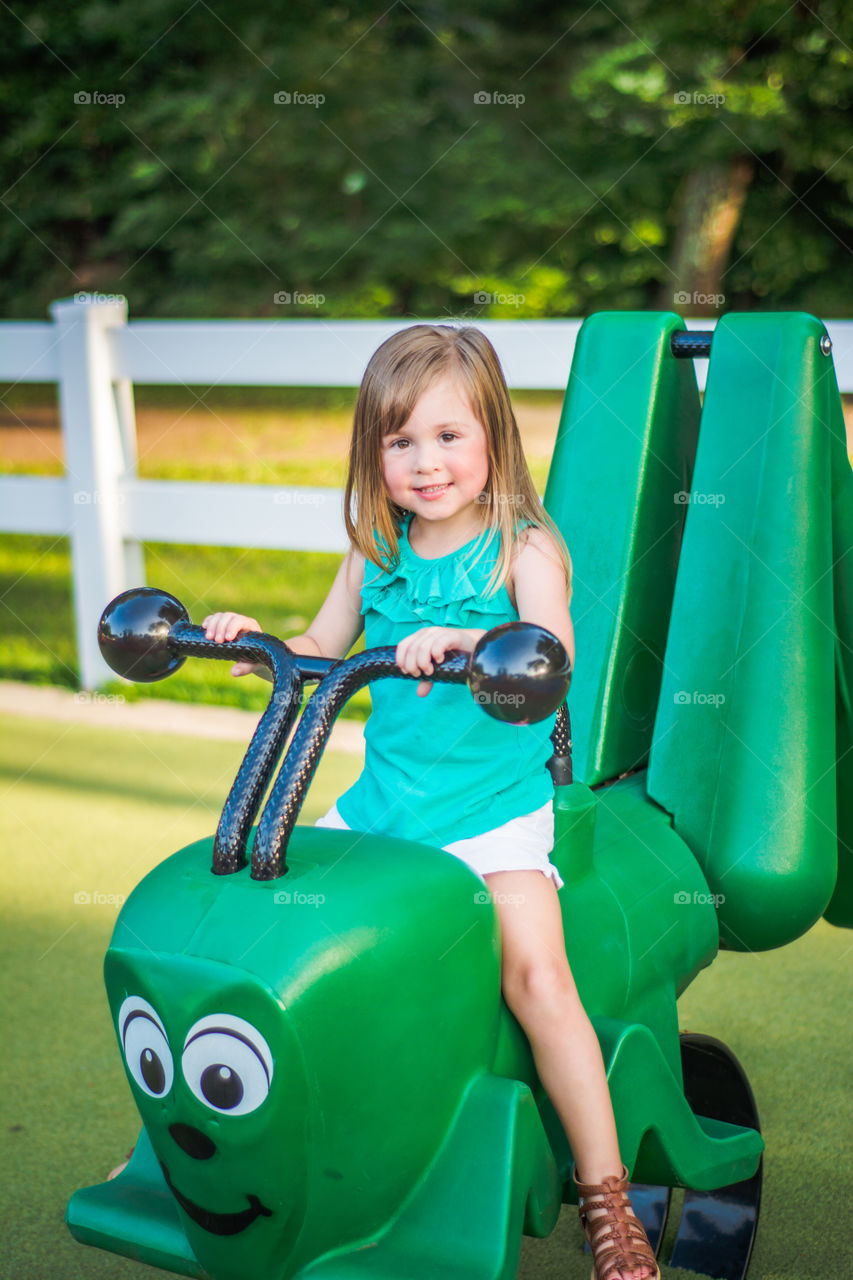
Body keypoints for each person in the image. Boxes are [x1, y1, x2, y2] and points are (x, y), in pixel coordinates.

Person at [116, 325, 659, 1280]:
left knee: (538, 982)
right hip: (381, 811)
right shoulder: (375, 549)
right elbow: (320, 649)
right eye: (399, 441)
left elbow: (551, 647)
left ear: (493, 434)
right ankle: (258, 1140)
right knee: (266, 925)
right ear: (374, 452)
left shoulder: (523, 548)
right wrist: (249, 640)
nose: (425, 462)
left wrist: (462, 638)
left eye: (448, 436)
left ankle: (608, 1198)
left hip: (490, 812)